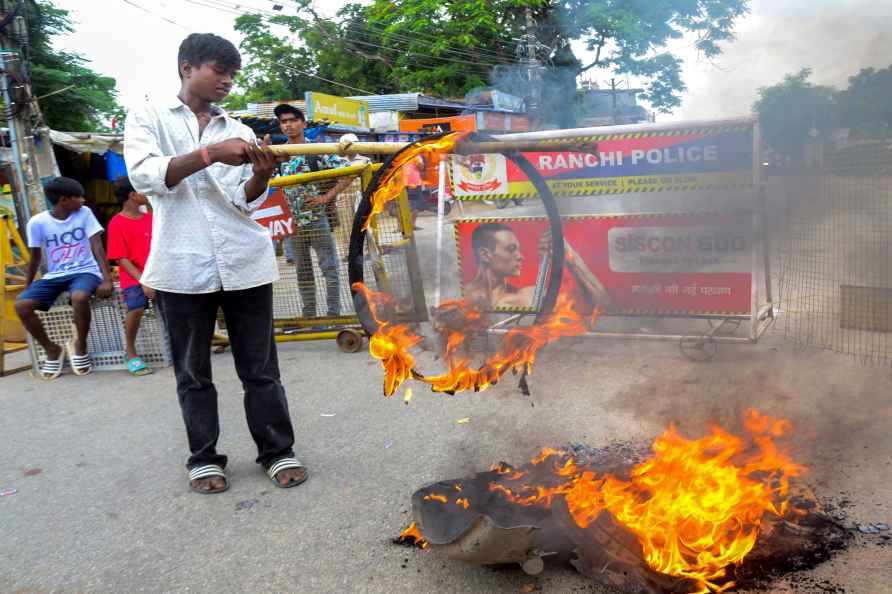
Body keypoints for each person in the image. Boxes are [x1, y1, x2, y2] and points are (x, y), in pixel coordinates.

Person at [123, 33, 306, 494]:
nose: (226, 81)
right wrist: (208, 155)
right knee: (192, 372)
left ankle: (277, 451)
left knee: (261, 369)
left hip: (244, 260)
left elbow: (243, 202)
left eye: (232, 74)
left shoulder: (240, 130)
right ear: (187, 67)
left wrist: (262, 175)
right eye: (217, 71)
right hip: (181, 267)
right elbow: (145, 176)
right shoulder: (149, 117)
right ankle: (204, 458)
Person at [15, 177, 113, 379]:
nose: (83, 200)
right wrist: (28, 285)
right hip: (55, 275)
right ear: (63, 200)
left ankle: (80, 345)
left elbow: (97, 245)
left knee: (79, 297)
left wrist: (107, 278)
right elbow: (35, 256)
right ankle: (52, 349)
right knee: (22, 305)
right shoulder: (37, 222)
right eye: (78, 197)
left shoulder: (84, 214)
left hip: (85, 270)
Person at [274, 103, 352, 319]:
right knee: (303, 273)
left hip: (317, 221)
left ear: (303, 124)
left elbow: (349, 172)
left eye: (292, 120)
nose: (288, 125)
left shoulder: (316, 151)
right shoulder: (279, 154)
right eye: (284, 122)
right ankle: (309, 317)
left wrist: (326, 197)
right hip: (293, 225)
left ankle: (333, 315)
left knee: (330, 269)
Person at [464, 223, 611, 311]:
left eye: (518, 249)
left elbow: (603, 305)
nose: (521, 256)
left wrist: (570, 256)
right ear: (485, 255)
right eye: (511, 249)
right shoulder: (461, 299)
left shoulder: (530, 295)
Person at [106, 176, 154, 376]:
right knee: (136, 305)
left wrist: (151, 204)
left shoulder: (151, 217)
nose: (147, 194)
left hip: (159, 272)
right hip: (135, 276)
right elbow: (121, 258)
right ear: (133, 195)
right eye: (143, 190)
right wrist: (143, 280)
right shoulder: (116, 223)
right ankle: (130, 351)